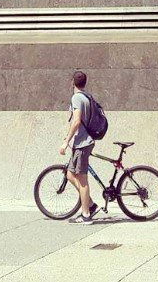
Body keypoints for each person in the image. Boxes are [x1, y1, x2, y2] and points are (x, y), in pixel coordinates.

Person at [59, 70, 99, 224]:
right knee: (70, 174)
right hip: (82, 142)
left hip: (82, 143)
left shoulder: (77, 98)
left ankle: (86, 215)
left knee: (82, 180)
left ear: (72, 83)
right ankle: (90, 204)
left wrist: (66, 141)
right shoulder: (87, 97)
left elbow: (76, 121)